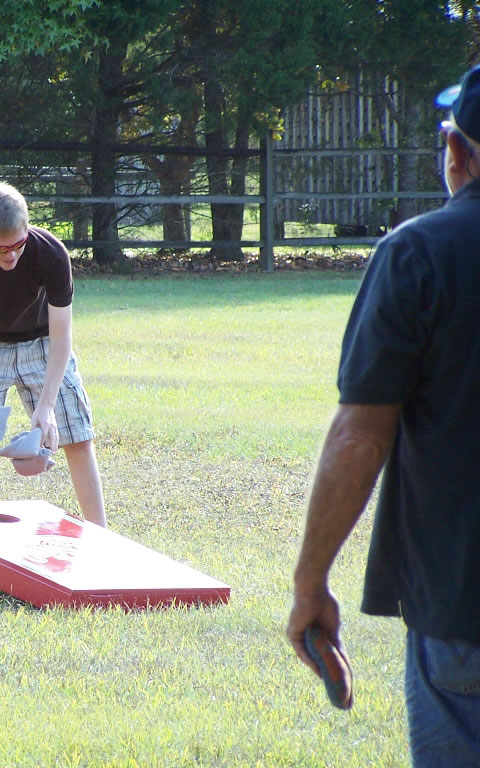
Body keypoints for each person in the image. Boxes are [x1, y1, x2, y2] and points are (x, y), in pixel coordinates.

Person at [287, 63, 480, 766]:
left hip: (463, 601)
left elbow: (360, 438)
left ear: (456, 152)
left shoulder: (418, 255)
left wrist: (311, 583)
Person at [0, 182, 106, 528]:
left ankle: (101, 537)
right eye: (1, 249)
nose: (11, 255)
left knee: (77, 436)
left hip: (43, 339)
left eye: (18, 245)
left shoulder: (51, 253)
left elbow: (62, 335)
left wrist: (46, 406)